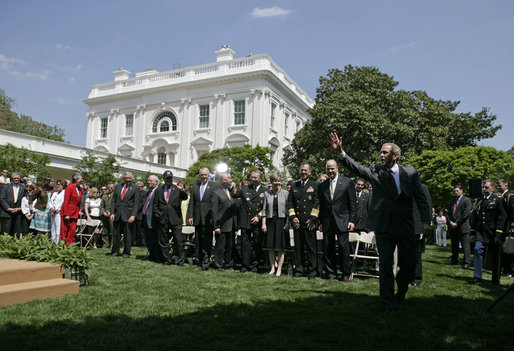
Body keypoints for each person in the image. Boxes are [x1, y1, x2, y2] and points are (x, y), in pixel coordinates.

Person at [330, 132, 431, 313]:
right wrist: (341, 152)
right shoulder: (376, 171)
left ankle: (402, 288)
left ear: (395, 156)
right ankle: (387, 303)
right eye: (381, 152)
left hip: (406, 226)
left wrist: (426, 221)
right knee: (385, 264)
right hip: (384, 227)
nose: (381, 155)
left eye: (385, 152)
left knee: (409, 262)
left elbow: (421, 198)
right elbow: (358, 169)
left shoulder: (410, 173)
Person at [318, 159, 357, 282]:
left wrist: (352, 220)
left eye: (332, 168)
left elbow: (352, 204)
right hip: (328, 221)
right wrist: (320, 222)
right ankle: (331, 273)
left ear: (337, 168)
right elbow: (322, 205)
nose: (330, 171)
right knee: (328, 248)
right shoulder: (322, 185)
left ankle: (345, 274)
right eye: (328, 169)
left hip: (343, 220)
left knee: (343, 248)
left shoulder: (347, 182)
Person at [469, 179, 506, 285]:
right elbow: (475, 217)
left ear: (492, 188)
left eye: (486, 187)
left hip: (493, 232)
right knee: (477, 249)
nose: (484, 189)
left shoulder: (498, 200)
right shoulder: (479, 200)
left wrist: (498, 233)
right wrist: (472, 232)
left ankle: (495, 279)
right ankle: (477, 276)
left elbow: (501, 217)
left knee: (495, 256)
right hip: (481, 232)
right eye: (483, 187)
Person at [287, 163, 320, 278]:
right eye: (302, 170)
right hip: (297, 222)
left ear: (310, 172)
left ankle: (312, 271)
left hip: (309, 222)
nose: (303, 172)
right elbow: (290, 202)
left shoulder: (315, 185)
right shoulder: (294, 185)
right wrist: (292, 217)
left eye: (306, 170)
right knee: (298, 248)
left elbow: (317, 202)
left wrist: (313, 219)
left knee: (311, 248)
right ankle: (299, 270)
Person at [233, 170, 266, 273]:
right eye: (252, 177)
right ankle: (245, 265)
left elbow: (266, 207)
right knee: (245, 244)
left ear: (260, 179)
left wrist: (259, 217)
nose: (253, 179)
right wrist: (231, 186)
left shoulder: (265, 191)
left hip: (257, 221)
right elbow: (235, 194)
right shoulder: (245, 188)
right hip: (245, 220)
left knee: (257, 244)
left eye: (255, 177)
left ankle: (255, 265)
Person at [153, 170, 188, 265]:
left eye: (170, 178)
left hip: (175, 218)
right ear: (164, 179)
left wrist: (182, 189)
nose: (169, 180)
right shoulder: (158, 190)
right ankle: (166, 259)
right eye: (167, 178)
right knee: (163, 240)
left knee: (178, 240)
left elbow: (185, 197)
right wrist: (158, 215)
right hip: (163, 218)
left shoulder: (177, 189)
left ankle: (180, 260)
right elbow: (155, 205)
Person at [187, 168, 215, 271]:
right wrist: (190, 216)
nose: (204, 176)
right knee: (198, 240)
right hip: (197, 218)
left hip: (208, 219)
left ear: (208, 175)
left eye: (205, 175)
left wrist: (213, 217)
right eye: (202, 175)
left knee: (207, 241)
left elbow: (214, 204)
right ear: (199, 175)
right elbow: (192, 203)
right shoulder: (195, 187)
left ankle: (206, 262)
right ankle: (199, 259)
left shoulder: (213, 186)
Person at [262, 173, 289, 276]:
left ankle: (279, 269)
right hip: (270, 221)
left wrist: (287, 223)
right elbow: (264, 210)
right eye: (275, 182)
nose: (277, 184)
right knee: (271, 247)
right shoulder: (266, 194)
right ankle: (272, 267)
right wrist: (263, 224)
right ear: (271, 183)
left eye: (279, 181)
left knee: (281, 247)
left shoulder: (286, 193)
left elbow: (287, 210)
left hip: (281, 221)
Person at [110, 171, 140, 258]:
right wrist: (112, 213)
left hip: (128, 215)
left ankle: (126, 253)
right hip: (117, 214)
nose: (127, 180)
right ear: (123, 179)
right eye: (126, 178)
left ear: (131, 178)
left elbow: (136, 204)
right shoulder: (118, 186)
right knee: (116, 234)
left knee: (128, 235)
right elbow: (114, 201)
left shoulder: (135, 188)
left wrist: (133, 215)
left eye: (129, 178)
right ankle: (115, 251)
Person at [210, 173, 237, 271]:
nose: (229, 180)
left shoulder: (232, 191)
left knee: (230, 246)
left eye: (229, 178)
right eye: (226, 179)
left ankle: (229, 264)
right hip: (221, 224)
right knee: (220, 246)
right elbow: (214, 210)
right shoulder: (216, 192)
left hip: (232, 223)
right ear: (221, 181)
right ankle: (218, 264)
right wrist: (216, 226)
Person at [448, 185, 472, 268]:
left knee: (465, 246)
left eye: (457, 191)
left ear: (461, 191)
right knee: (454, 245)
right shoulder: (452, 201)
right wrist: (450, 222)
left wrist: (457, 223)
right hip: (453, 227)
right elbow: (449, 213)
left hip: (463, 226)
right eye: (454, 191)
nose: (455, 192)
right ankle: (454, 260)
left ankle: (466, 262)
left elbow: (466, 214)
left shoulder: (466, 200)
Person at [497, 179, 514, 277]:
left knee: (509, 249)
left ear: (506, 186)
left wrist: (512, 226)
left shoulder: (510, 197)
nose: (498, 187)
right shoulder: (499, 197)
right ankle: (503, 269)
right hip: (501, 227)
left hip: (508, 227)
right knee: (502, 249)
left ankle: (509, 271)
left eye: (500, 186)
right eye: (498, 186)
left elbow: (513, 212)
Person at [61, 173, 82, 245]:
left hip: (75, 212)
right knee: (65, 230)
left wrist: (79, 210)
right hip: (68, 212)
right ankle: (64, 244)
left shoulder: (79, 189)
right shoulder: (69, 188)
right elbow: (66, 201)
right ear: (76, 180)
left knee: (72, 230)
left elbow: (78, 201)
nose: (81, 182)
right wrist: (66, 214)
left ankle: (70, 244)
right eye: (80, 180)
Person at [0, 172, 24, 236]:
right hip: (6, 213)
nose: (16, 179)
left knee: (16, 235)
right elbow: (2, 198)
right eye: (14, 178)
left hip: (18, 214)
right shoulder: (5, 187)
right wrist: (8, 208)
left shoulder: (23, 188)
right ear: (12, 179)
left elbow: (25, 200)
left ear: (20, 178)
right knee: (5, 234)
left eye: (17, 178)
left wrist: (19, 208)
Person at [142, 175, 159, 262]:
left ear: (156, 182)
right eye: (148, 181)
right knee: (147, 239)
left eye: (151, 181)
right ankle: (151, 255)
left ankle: (156, 256)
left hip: (153, 219)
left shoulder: (159, 192)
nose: (149, 182)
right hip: (145, 218)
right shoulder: (148, 192)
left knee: (154, 239)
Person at [49, 179, 66, 244]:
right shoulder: (55, 193)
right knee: (53, 227)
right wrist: (51, 207)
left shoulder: (64, 193)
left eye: (59, 184)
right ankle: (53, 241)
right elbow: (50, 201)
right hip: (52, 212)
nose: (57, 185)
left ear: (63, 185)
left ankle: (57, 242)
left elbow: (62, 203)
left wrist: (56, 209)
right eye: (57, 184)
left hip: (58, 213)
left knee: (58, 228)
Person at [100, 182, 114, 248]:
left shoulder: (115, 195)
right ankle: (105, 243)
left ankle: (113, 244)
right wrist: (104, 212)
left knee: (113, 231)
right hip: (105, 216)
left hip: (112, 216)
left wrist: (111, 212)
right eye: (109, 188)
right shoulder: (104, 196)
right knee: (105, 231)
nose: (110, 189)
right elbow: (101, 206)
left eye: (112, 187)